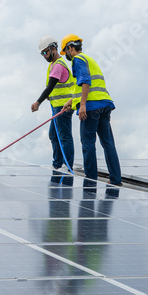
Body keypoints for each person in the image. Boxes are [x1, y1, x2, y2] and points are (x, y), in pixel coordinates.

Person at [61, 34, 122, 186]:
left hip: (91, 107)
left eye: (65, 51)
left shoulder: (77, 59)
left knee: (88, 143)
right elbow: (84, 86)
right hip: (104, 104)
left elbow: (86, 81)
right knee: (108, 143)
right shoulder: (90, 59)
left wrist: (82, 105)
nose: (66, 55)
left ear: (70, 48)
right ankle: (116, 180)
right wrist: (71, 101)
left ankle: (90, 180)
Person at [31, 35, 78, 172]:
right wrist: (50, 97)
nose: (44, 56)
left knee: (64, 136)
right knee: (54, 134)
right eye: (42, 54)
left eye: (46, 52)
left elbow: (50, 86)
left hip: (63, 106)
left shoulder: (58, 65)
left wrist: (38, 102)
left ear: (53, 49)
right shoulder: (53, 65)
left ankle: (66, 165)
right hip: (57, 105)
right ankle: (57, 164)